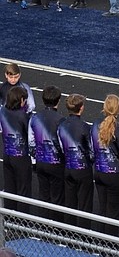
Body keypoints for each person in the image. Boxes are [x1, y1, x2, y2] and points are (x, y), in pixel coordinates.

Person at [90, 94, 119, 235]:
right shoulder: (118, 129)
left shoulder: (96, 124)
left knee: (102, 210)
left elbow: (92, 150)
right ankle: (110, 247)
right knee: (113, 214)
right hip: (116, 175)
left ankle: (100, 244)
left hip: (99, 172)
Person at [28, 85, 65, 220]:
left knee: (43, 195)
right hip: (56, 163)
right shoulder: (61, 120)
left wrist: (34, 160)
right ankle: (56, 230)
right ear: (58, 101)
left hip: (40, 162)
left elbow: (31, 141)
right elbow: (63, 144)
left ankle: (42, 227)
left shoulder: (34, 118)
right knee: (57, 197)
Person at [57, 93, 94, 228]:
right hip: (83, 169)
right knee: (84, 204)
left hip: (68, 167)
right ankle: (84, 238)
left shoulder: (62, 125)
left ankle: (69, 234)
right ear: (81, 108)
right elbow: (91, 150)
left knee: (70, 202)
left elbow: (61, 146)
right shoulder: (84, 127)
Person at [0, 86, 32, 212]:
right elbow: (29, 136)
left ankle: (8, 219)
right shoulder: (23, 116)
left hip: (7, 154)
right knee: (23, 189)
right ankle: (22, 222)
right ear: (22, 100)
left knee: (10, 187)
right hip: (21, 156)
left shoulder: (2, 111)